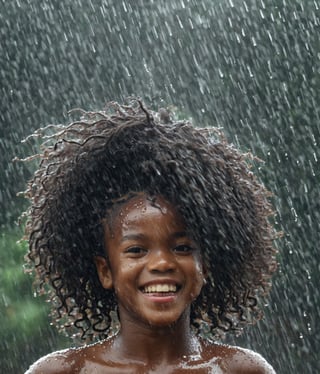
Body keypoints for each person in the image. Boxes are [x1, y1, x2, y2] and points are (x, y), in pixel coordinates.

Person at [23, 100, 278, 373]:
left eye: (182, 247)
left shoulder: (240, 369)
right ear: (106, 270)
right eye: (136, 250)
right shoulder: (63, 371)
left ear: (206, 266)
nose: (161, 263)